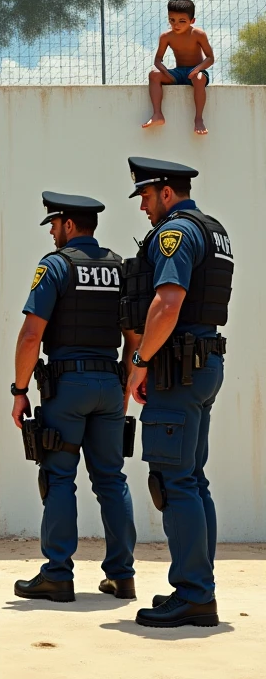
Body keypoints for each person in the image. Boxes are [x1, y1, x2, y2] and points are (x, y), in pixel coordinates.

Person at [122, 157, 232, 629]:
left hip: (177, 372)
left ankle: (193, 594)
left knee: (173, 481)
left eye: (146, 197)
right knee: (193, 479)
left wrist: (140, 360)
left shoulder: (176, 232)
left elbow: (168, 303)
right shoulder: (214, 229)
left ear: (166, 192)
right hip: (203, 365)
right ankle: (197, 585)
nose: (144, 208)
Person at [11, 192, 137, 603]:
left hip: (68, 387)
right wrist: (129, 384)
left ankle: (58, 575)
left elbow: (32, 334)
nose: (51, 233)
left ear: (68, 225)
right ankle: (122, 576)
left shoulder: (56, 265)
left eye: (53, 225)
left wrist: (19, 390)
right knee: (112, 480)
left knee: (59, 477)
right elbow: (133, 334)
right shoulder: (119, 267)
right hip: (110, 385)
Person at [142, 0, 214, 136]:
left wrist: (198, 69)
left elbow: (210, 58)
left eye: (182, 21)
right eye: (172, 20)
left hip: (196, 72)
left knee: (199, 78)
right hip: (178, 73)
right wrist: (166, 72)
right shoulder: (166, 36)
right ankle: (157, 114)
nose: (176, 25)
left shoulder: (198, 34)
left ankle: (198, 119)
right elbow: (158, 60)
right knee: (154, 74)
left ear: (192, 21)